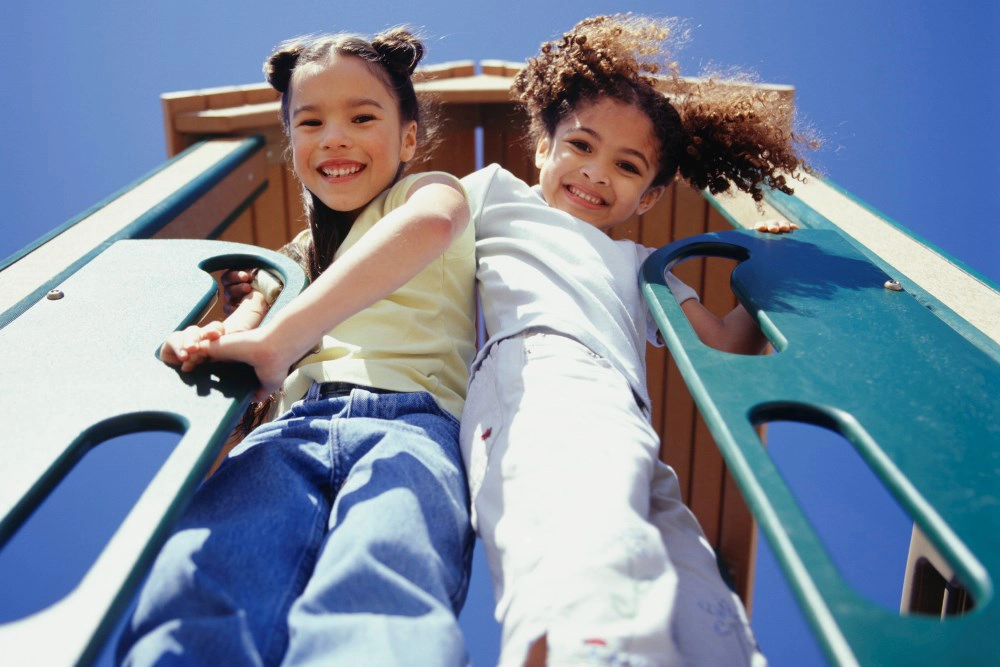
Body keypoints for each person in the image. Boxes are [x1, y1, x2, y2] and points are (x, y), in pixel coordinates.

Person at [459, 14, 814, 667]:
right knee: (584, 536)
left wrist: (768, 274)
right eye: (581, 146)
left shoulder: (644, 266)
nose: (596, 173)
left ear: (649, 197)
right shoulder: (495, 196)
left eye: (626, 165)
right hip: (543, 373)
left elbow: (724, 344)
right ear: (542, 148)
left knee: (690, 577)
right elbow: (408, 229)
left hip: (626, 416)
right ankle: (587, 651)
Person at [117, 27, 477, 667]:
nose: (335, 136)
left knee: (382, 578)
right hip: (289, 431)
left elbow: (432, 226)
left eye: (363, 116)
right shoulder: (288, 264)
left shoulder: (423, 192)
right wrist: (207, 340)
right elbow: (243, 334)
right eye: (311, 123)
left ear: (409, 138)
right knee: (206, 578)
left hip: (412, 423)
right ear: (293, 149)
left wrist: (279, 336)